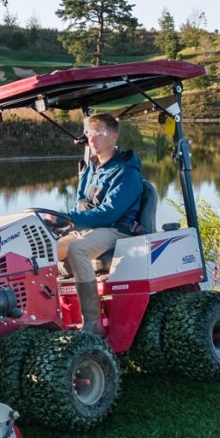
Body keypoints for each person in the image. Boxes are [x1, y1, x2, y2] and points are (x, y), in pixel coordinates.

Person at [57, 114, 143, 338]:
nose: (92, 139)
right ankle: (55, 316)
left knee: (78, 249)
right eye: (89, 133)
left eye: (98, 133)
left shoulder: (126, 172)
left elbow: (109, 214)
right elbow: (80, 203)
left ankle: (92, 322)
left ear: (113, 137)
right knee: (47, 249)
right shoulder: (90, 169)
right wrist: (63, 221)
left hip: (117, 229)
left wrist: (73, 218)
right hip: (91, 228)